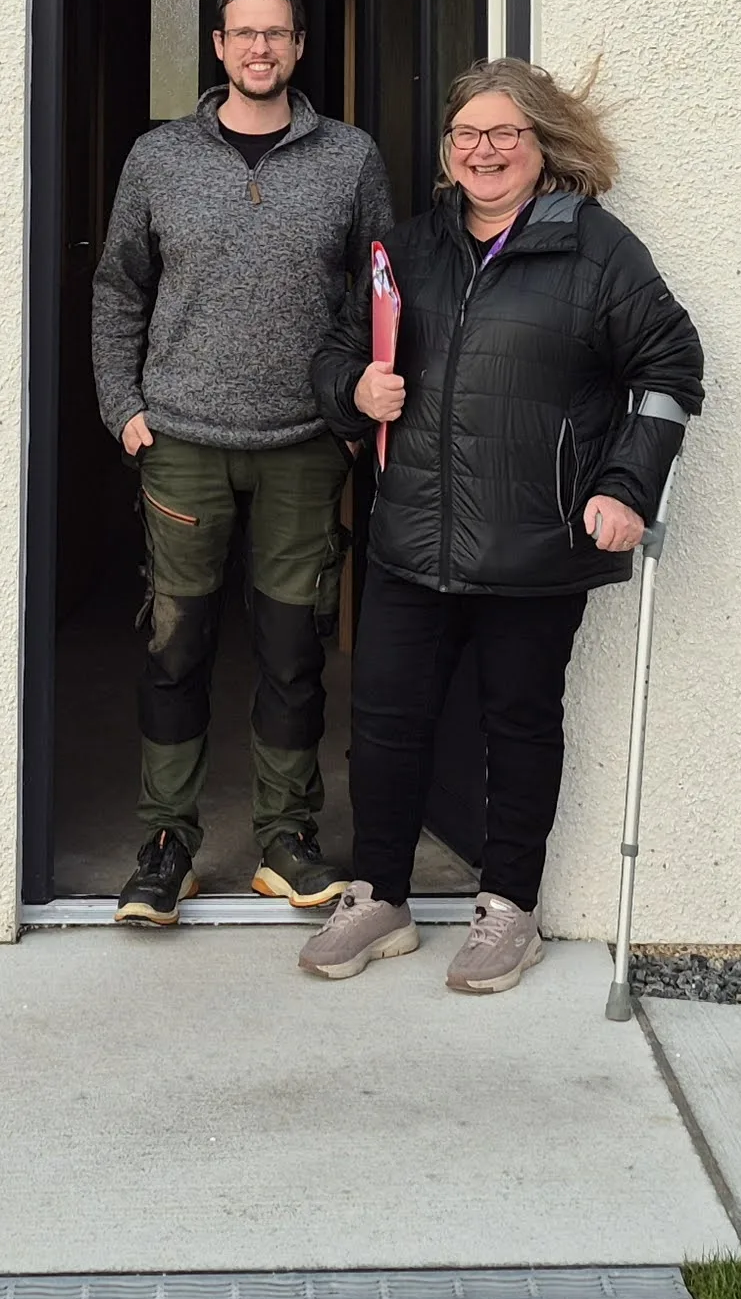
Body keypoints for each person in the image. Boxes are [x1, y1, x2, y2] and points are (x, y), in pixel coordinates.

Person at [300, 58, 701, 993]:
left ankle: (509, 909)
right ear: (448, 151)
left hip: (537, 543)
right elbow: (339, 353)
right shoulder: (410, 248)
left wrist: (626, 488)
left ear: (541, 145)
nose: (484, 151)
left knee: (518, 725)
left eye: (504, 134)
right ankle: (380, 897)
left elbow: (670, 370)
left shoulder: (598, 252)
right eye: (466, 135)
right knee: (385, 723)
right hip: (412, 538)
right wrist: (354, 389)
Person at [90, 0, 395, 926]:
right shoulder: (159, 157)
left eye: (277, 34)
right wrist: (122, 405)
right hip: (181, 440)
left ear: (299, 46)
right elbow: (119, 287)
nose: (260, 49)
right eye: (243, 34)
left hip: (305, 443)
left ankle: (285, 841)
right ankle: (167, 844)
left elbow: (381, 290)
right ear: (218, 47)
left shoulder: (349, 157)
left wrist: (355, 412)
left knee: (293, 651)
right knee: (176, 647)